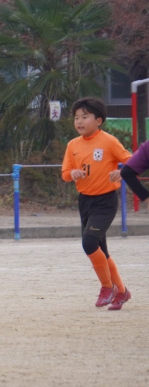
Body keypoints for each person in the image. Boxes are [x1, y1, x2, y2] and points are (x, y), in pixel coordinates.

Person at [61, 97, 132, 311]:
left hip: (105, 201)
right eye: (76, 118)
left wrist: (121, 172)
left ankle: (107, 287)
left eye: (85, 117)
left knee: (89, 242)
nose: (79, 121)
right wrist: (72, 173)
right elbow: (65, 173)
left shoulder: (109, 141)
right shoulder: (73, 145)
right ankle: (122, 291)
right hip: (85, 201)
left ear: (98, 120)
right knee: (101, 250)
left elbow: (131, 161)